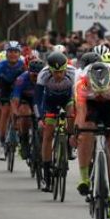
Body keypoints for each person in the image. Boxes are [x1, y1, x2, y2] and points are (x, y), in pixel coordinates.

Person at [75, 62, 110, 219]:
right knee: (86, 131)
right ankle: (84, 178)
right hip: (90, 105)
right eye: (97, 91)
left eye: (103, 91)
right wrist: (76, 132)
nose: (100, 94)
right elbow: (81, 111)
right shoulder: (82, 82)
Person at [35, 52, 76, 192]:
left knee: (72, 113)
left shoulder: (73, 73)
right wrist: (40, 118)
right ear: (50, 70)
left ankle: (69, 143)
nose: (58, 75)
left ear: (66, 68)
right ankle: (46, 175)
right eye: (55, 72)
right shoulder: (43, 74)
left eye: (61, 71)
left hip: (67, 98)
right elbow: (37, 99)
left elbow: (79, 97)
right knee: (48, 134)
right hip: (50, 102)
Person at [0, 41, 26, 160]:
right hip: (4, 88)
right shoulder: (0, 66)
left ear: (19, 53)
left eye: (16, 52)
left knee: (20, 112)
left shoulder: (23, 65)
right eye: (10, 52)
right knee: (5, 112)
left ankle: (20, 137)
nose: (13, 54)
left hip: (18, 89)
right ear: (6, 53)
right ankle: (1, 143)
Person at [11, 59, 44, 160]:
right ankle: (24, 140)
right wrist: (16, 114)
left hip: (38, 100)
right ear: (29, 72)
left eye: (39, 75)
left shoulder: (45, 79)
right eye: (34, 75)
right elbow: (15, 100)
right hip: (24, 99)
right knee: (25, 114)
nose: (36, 78)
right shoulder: (22, 79)